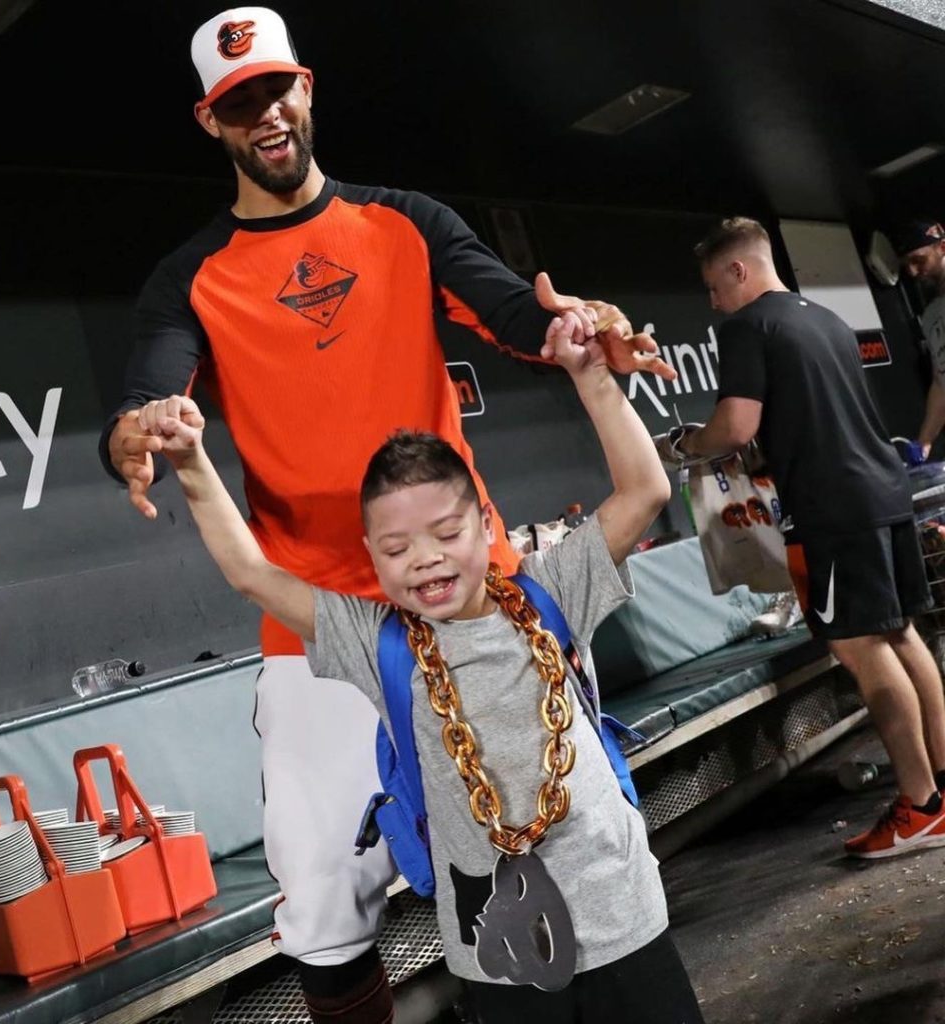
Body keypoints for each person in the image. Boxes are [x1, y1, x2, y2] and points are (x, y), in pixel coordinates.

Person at [100, 7, 674, 1019]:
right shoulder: (191, 275)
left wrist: (585, 327)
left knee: (551, 832)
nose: (266, 115)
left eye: (276, 90)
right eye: (240, 104)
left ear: (307, 88)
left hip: (472, 594)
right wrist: (137, 436)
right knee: (320, 900)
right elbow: (147, 399)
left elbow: (515, 313)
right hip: (317, 614)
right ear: (211, 121)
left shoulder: (402, 222)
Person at [133, 309, 704, 1024]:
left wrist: (591, 376)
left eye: (447, 532)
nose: (426, 558)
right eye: (397, 547)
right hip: (496, 952)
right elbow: (252, 572)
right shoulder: (376, 644)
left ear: (484, 526)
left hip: (624, 919)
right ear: (371, 559)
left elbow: (646, 492)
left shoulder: (552, 590)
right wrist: (191, 463)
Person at [663, 216, 945, 859]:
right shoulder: (824, 319)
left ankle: (922, 806)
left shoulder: (745, 325)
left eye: (713, 286)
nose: (712, 302)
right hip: (884, 492)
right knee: (901, 634)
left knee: (861, 652)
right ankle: (940, 789)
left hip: (834, 509)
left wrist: (685, 446)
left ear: (739, 269)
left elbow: (733, 430)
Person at [895, 221, 945, 458]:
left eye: (918, 259)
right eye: (907, 265)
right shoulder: (932, 315)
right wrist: (924, 440)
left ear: (942, 247)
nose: (913, 272)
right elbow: (941, 381)